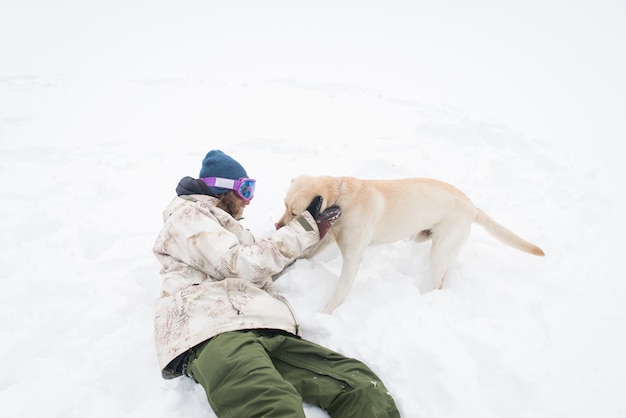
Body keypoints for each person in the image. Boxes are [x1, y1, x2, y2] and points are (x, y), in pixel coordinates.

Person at [153, 150, 401, 417]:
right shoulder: (187, 215)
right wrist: (302, 230)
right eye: (245, 190)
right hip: (214, 334)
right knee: (273, 407)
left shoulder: (229, 231)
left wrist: (311, 236)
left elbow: (262, 265)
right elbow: (243, 265)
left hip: (265, 329)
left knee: (359, 386)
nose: (248, 201)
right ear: (222, 189)